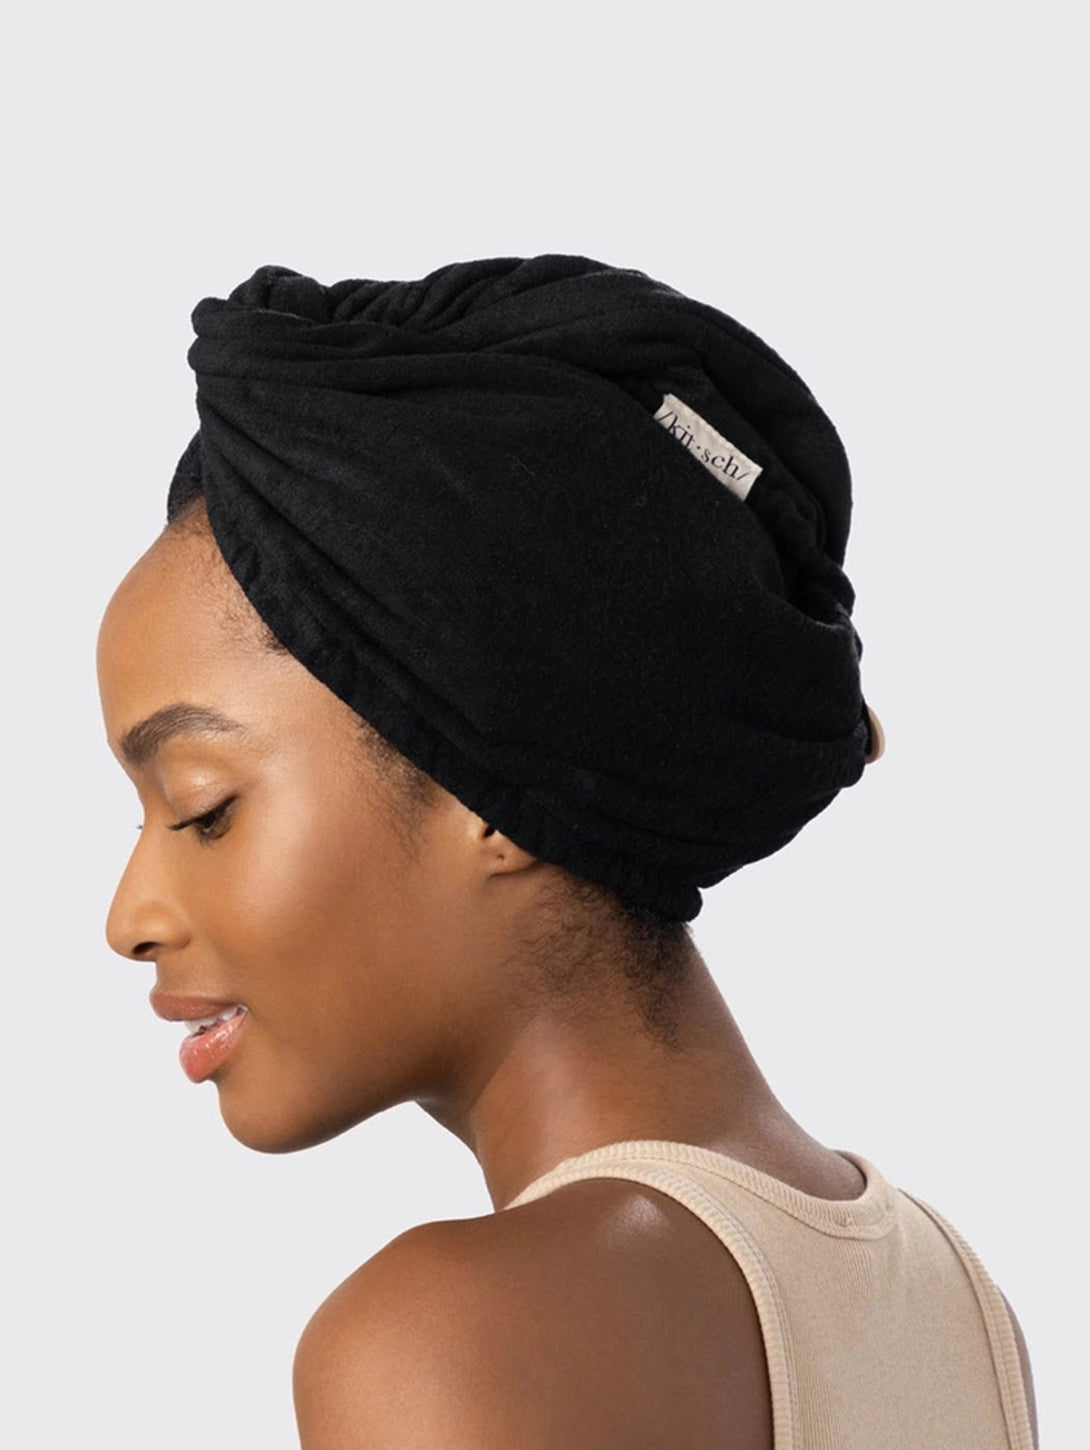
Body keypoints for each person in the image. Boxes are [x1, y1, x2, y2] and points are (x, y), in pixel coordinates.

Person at [96, 255, 1038, 1449]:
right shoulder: (957, 1303)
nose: (129, 915)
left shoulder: (445, 1341)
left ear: (486, 784)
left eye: (202, 809)